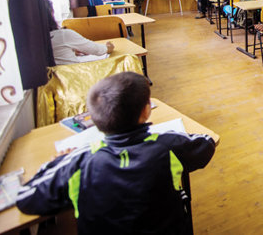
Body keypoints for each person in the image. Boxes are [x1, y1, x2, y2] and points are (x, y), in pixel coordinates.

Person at [16, 72, 216, 233]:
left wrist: (58, 162)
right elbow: (206, 143)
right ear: (146, 111)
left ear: (94, 120)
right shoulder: (167, 145)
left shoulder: (79, 161)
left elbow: (26, 198)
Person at [45, 0, 114, 64]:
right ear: (51, 14)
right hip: (74, 72)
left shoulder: (40, 41)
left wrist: (70, 51)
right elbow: (98, 50)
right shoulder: (63, 36)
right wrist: (108, 47)